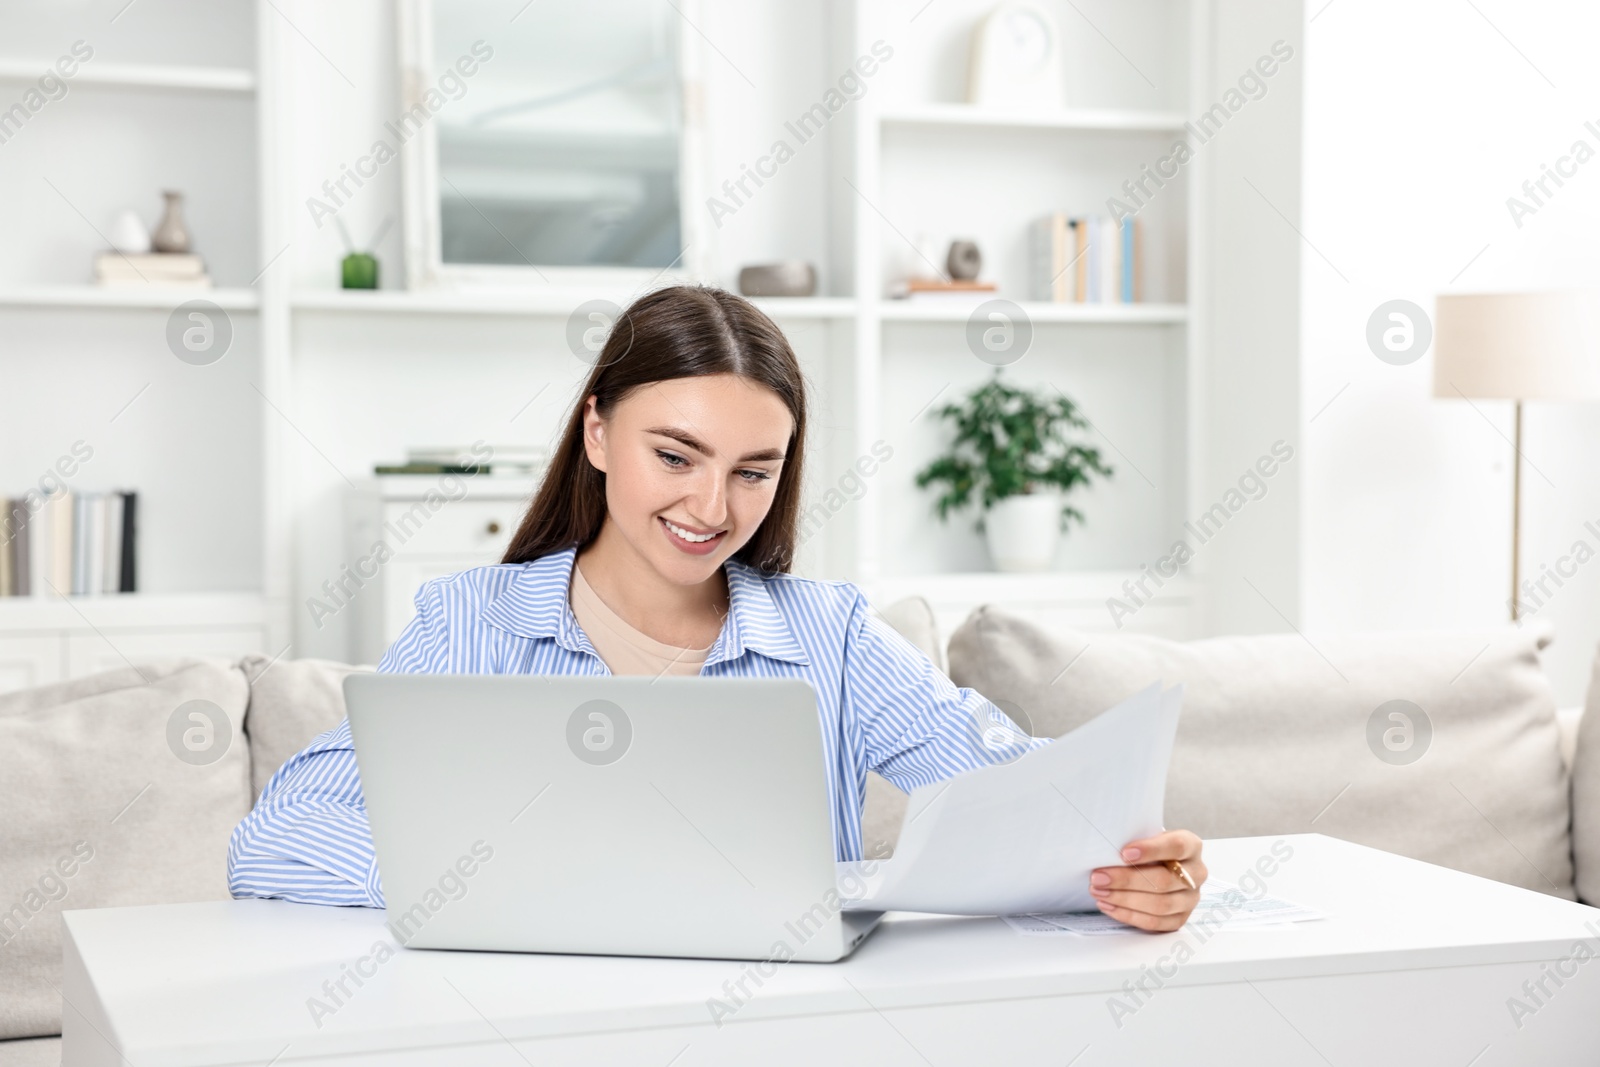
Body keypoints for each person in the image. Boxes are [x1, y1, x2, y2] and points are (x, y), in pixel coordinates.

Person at [227, 285, 1205, 932]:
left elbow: (1023, 793)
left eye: (752, 471)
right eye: (675, 455)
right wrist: (528, 871)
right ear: (599, 431)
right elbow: (276, 834)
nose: (709, 508)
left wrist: (1132, 859)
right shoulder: (472, 623)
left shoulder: (831, 636)